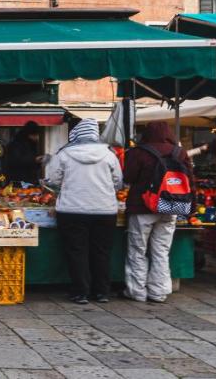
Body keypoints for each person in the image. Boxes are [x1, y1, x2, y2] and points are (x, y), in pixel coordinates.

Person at [44, 118, 123, 305]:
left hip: (72, 210)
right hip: (105, 210)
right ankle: (102, 292)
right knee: (101, 252)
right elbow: (118, 182)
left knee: (76, 251)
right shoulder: (109, 154)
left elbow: (52, 180)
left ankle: (80, 292)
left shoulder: (64, 154)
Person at [123, 121, 195, 304]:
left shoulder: (138, 152)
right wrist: (191, 206)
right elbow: (190, 181)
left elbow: (128, 177)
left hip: (142, 207)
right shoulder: (180, 153)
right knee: (161, 251)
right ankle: (158, 292)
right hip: (171, 206)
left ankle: (137, 291)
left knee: (137, 250)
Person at [3, 121, 44, 185]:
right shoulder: (17, 144)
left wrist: (39, 162)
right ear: (30, 134)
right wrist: (34, 160)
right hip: (18, 181)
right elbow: (16, 161)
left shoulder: (31, 144)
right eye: (36, 135)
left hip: (29, 181)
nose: (37, 137)